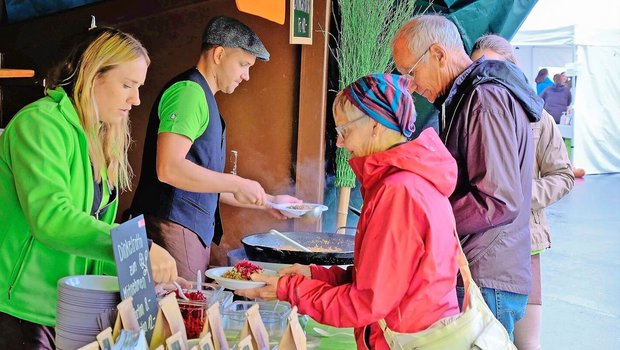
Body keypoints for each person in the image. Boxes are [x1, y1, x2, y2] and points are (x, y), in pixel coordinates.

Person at [237, 73, 461, 350]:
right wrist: (314, 276)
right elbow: (382, 279)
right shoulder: (412, 179)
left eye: (344, 131)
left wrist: (289, 289)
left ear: (376, 126)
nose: (340, 143)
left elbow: (366, 302)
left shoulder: (398, 192)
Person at [0, 27, 179, 349]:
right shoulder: (39, 125)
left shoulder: (99, 135)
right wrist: (139, 248)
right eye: (127, 85)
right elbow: (52, 219)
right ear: (92, 76)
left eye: (138, 87)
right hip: (21, 308)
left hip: (73, 305)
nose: (135, 99)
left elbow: (96, 226)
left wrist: (140, 275)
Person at [392, 15, 543, 340]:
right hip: (484, 268)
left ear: (438, 54)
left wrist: (428, 221)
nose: (413, 86)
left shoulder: (484, 100)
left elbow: (497, 200)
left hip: (486, 273)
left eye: (411, 72)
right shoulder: (467, 98)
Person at [130, 16, 300, 280]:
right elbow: (169, 168)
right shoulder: (189, 92)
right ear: (219, 54)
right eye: (243, 64)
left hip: (187, 231)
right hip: (171, 228)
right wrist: (238, 183)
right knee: (178, 313)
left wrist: (268, 201)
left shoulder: (203, 97)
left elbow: (206, 184)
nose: (246, 76)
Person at [472, 34, 576, 350]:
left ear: (513, 69)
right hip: (477, 248)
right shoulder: (468, 113)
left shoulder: (537, 117)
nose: (487, 74)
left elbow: (564, 176)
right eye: (479, 66)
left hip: (525, 244)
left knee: (527, 343)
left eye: (496, 66)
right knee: (481, 340)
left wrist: (515, 196)